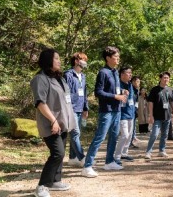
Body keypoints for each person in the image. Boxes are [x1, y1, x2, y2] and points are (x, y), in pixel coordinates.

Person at [30, 48, 76, 197]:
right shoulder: (40, 79)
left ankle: (55, 181)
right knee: (58, 153)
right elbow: (40, 103)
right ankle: (42, 186)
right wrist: (53, 120)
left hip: (63, 123)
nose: (59, 61)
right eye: (56, 58)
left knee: (60, 153)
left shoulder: (59, 78)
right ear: (48, 60)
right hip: (51, 123)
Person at [81, 46, 128, 178]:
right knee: (100, 137)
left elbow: (114, 90)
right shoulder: (103, 72)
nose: (118, 58)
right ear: (108, 58)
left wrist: (121, 92)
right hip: (106, 111)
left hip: (117, 110)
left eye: (118, 56)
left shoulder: (115, 72)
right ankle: (87, 166)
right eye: (115, 56)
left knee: (114, 136)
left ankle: (109, 162)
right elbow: (98, 92)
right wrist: (115, 96)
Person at [64, 52, 89, 167]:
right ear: (76, 61)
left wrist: (85, 108)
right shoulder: (68, 75)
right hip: (71, 108)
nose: (85, 62)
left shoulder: (83, 76)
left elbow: (84, 94)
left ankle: (72, 158)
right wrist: (67, 108)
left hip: (80, 108)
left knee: (76, 135)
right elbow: (65, 93)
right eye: (83, 60)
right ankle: (82, 158)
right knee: (75, 133)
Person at [144, 72, 173, 160]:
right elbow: (150, 103)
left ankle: (162, 150)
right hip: (157, 116)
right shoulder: (154, 89)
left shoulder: (170, 89)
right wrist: (151, 115)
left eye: (168, 78)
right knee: (154, 134)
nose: (166, 79)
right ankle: (148, 152)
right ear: (160, 79)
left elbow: (172, 102)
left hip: (167, 116)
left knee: (165, 135)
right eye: (164, 78)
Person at [114, 67, 136, 163]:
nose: (130, 75)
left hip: (131, 113)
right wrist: (122, 91)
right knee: (124, 135)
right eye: (128, 73)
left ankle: (124, 153)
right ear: (122, 74)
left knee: (130, 135)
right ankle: (117, 156)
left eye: (131, 73)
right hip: (122, 113)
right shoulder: (118, 83)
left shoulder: (130, 84)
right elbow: (115, 92)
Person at [130, 76, 141, 148]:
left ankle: (132, 140)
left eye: (139, 82)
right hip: (128, 111)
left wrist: (136, 109)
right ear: (133, 82)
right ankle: (129, 142)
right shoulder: (130, 89)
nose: (138, 83)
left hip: (134, 110)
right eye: (137, 82)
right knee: (129, 127)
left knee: (133, 126)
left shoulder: (137, 90)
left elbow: (136, 101)